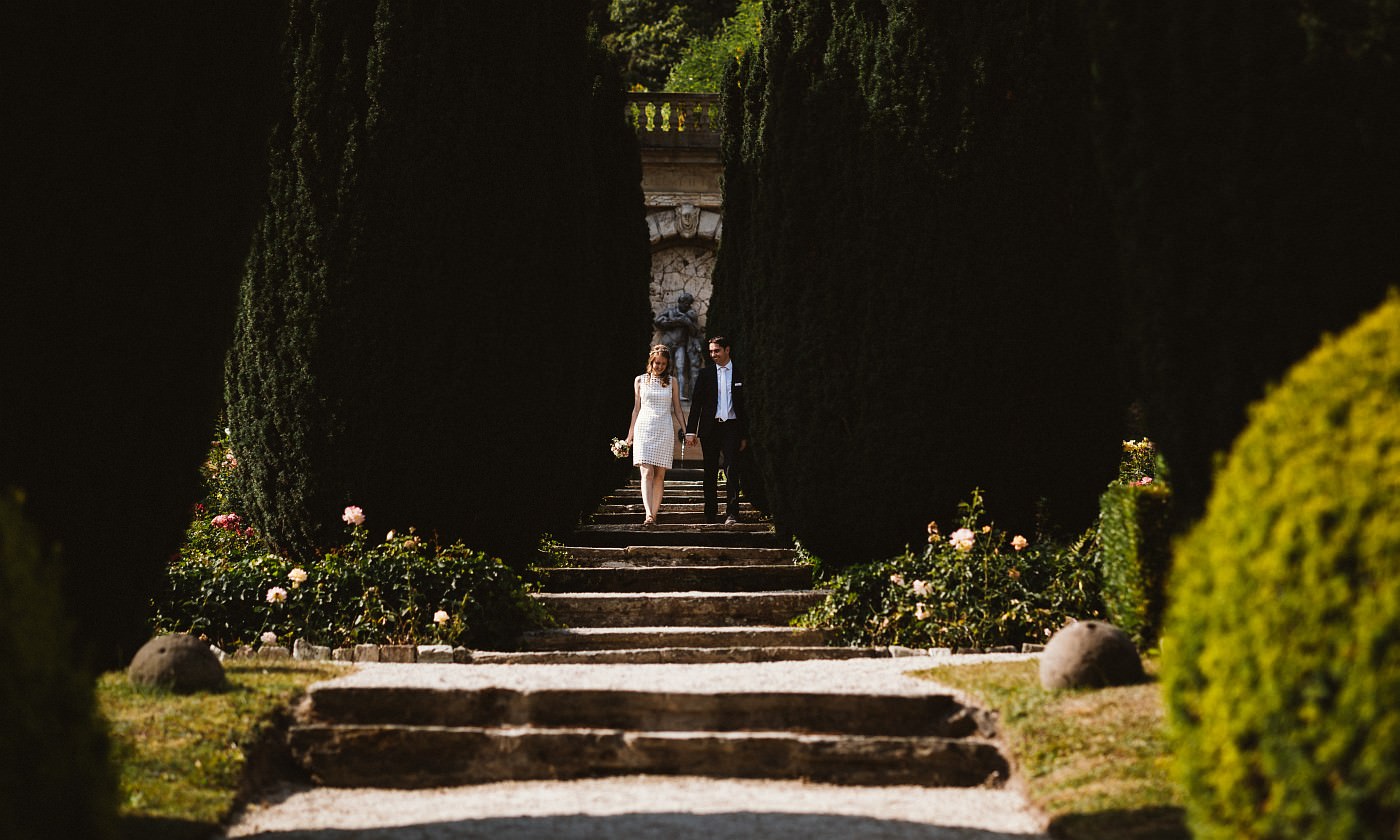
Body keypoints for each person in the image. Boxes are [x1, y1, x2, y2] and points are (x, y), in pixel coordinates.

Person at [685, 336, 746, 524]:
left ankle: (732, 513)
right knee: (709, 471)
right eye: (711, 351)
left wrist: (745, 435)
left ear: (727, 350)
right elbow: (696, 405)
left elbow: (746, 405)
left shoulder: (740, 373)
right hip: (710, 428)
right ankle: (710, 513)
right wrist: (690, 431)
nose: (713, 355)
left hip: (732, 427)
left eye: (716, 351)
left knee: (731, 469)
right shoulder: (705, 374)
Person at [625, 344, 688, 526]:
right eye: (656, 363)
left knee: (659, 475)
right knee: (646, 472)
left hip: (664, 429)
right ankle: (648, 515)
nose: (659, 366)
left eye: (663, 364)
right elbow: (636, 410)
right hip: (644, 428)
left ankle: (655, 512)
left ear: (667, 364)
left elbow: (677, 408)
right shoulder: (640, 380)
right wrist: (630, 436)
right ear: (651, 361)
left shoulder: (672, 382)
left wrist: (686, 430)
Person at [652, 292, 703, 401]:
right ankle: (663, 392)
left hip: (681, 345)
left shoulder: (689, 315)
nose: (687, 306)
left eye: (688, 304)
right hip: (668, 342)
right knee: (664, 367)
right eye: (685, 303)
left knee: (680, 368)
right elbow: (657, 322)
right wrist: (675, 321)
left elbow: (694, 331)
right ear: (680, 302)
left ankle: (679, 394)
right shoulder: (671, 312)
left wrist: (687, 322)